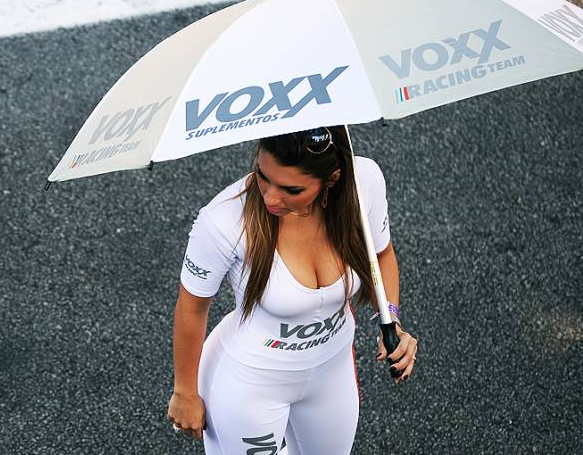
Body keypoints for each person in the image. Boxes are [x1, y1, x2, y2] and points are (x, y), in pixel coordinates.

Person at [166, 126, 419, 455]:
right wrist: (185, 392)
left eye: (292, 189)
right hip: (248, 385)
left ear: (331, 179)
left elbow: (381, 256)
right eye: (263, 175)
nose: (270, 197)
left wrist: (393, 320)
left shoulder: (364, 182)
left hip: (332, 372)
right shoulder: (223, 220)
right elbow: (191, 307)